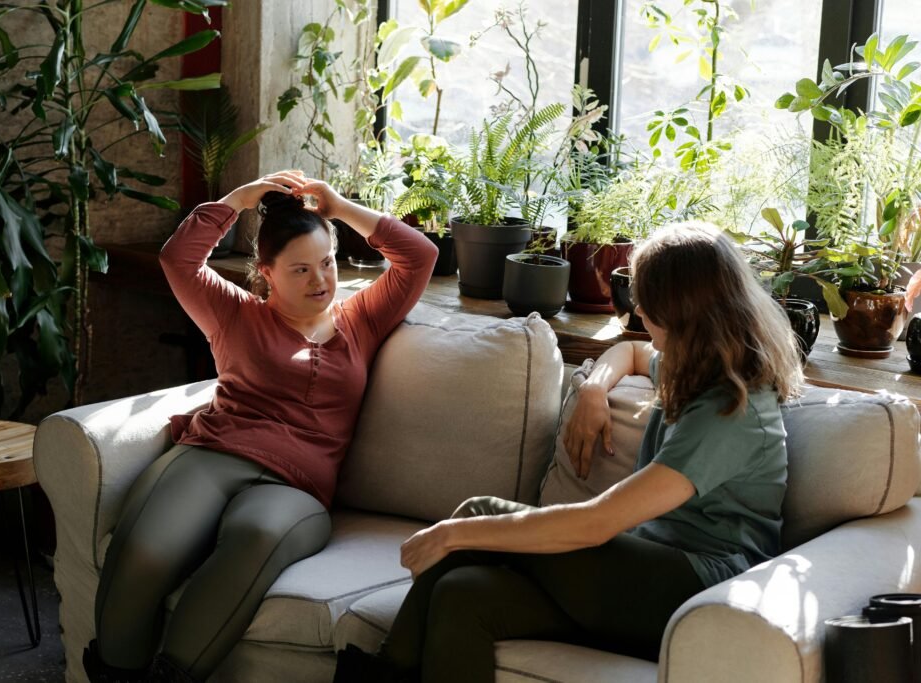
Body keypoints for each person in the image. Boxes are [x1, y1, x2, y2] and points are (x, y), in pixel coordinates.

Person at [333, 221, 804, 683]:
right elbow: (634, 355)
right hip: (645, 574)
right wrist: (595, 389)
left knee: (476, 516)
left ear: (679, 310)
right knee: (464, 596)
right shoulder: (697, 365)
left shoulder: (729, 411)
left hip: (698, 588)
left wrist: (455, 534)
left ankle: (377, 673)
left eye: (644, 301)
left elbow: (598, 522)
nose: (637, 312)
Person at [82, 170, 439, 683]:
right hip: (212, 454)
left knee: (257, 535)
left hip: (297, 485)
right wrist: (238, 199)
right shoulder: (234, 313)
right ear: (266, 273)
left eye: (327, 263)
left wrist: (338, 207)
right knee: (145, 549)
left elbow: (419, 255)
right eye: (300, 270)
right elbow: (177, 259)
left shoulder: (362, 320)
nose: (320, 281)